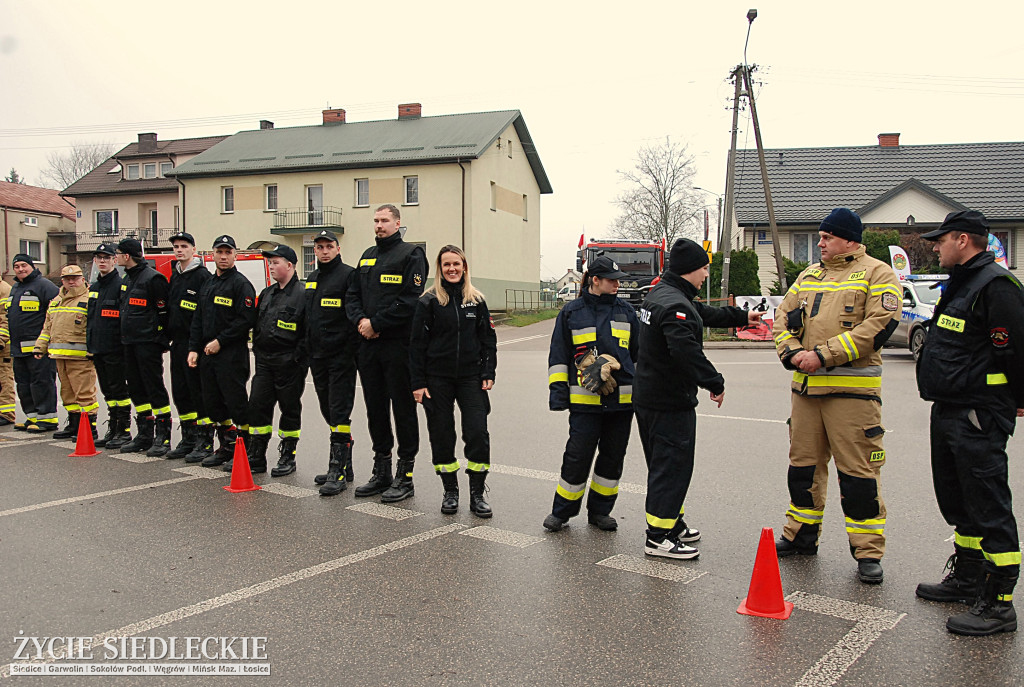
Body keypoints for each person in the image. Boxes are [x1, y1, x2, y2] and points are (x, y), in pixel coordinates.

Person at [772, 208, 900, 584]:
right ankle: (801, 536)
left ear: (850, 239)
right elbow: (783, 318)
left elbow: (878, 327)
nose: (821, 242)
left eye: (827, 237)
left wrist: (822, 355)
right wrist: (792, 353)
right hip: (806, 392)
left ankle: (867, 552)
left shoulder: (878, 274)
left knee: (859, 476)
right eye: (821, 237)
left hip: (851, 397)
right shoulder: (810, 275)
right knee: (803, 470)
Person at [914, 210, 1024, 636]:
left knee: (988, 504)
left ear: (963, 239)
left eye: (941, 240)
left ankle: (999, 602)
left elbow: (1015, 351)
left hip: (978, 411)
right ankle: (967, 578)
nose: (935, 246)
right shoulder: (962, 283)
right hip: (950, 408)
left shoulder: (996, 286)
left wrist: (1015, 400)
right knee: (959, 501)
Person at [634, 239, 757, 558]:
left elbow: (702, 313)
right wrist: (714, 382)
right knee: (671, 467)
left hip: (649, 398)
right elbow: (686, 352)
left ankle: (671, 522)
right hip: (669, 402)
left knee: (663, 465)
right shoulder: (675, 305)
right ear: (690, 269)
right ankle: (659, 537)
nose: (706, 274)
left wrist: (740, 319)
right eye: (704, 267)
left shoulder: (663, 295)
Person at [544, 256, 637, 533]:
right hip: (584, 404)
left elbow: (640, 357)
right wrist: (559, 395)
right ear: (595, 280)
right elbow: (558, 356)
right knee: (577, 456)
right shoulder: (572, 312)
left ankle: (600, 512)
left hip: (621, 403)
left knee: (612, 458)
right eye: (611, 280)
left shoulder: (627, 312)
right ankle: (561, 512)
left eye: (618, 279)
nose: (617, 284)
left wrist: (641, 394)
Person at [346, 204, 427, 502]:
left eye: (384, 220)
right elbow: (352, 295)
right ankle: (381, 472)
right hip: (368, 347)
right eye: (376, 221)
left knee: (403, 410)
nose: (379, 225)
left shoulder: (411, 255)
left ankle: (404, 476)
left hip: (397, 346)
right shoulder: (367, 256)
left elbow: (409, 300)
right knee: (375, 409)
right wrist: (360, 321)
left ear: (397, 223)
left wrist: (377, 323)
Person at [411, 245, 497, 517]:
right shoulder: (428, 301)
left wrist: (488, 372)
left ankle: (477, 494)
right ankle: (450, 492)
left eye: (456, 264)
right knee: (441, 434)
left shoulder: (477, 301)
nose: (451, 269)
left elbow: (488, 341)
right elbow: (415, 346)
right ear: (440, 268)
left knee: (477, 434)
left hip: (471, 378)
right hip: (437, 380)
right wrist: (418, 383)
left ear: (464, 267)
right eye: (446, 264)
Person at [188, 235, 256, 470]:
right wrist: (193, 349)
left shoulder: (240, 284)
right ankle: (226, 445)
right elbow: (197, 319)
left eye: (228, 252)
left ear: (235, 255)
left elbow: (245, 319)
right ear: (213, 254)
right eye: (220, 252)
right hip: (208, 354)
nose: (224, 256)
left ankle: (244, 448)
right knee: (214, 404)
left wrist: (220, 341)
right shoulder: (208, 284)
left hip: (231, 355)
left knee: (235, 403)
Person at [306, 229, 361, 496]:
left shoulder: (348, 275)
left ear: (338, 249)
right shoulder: (313, 278)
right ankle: (345, 465)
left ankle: (336, 470)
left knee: (339, 412)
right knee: (327, 409)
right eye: (320, 247)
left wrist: (347, 350)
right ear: (315, 250)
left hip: (341, 357)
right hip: (317, 357)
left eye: (329, 246)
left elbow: (352, 314)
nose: (324, 251)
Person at [247, 244, 307, 477]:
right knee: (258, 406)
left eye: (276, 262)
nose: (271, 267)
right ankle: (257, 454)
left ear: (290, 265)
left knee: (289, 408)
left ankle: (287, 456)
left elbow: (307, 332)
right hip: (265, 362)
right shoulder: (267, 293)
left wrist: (297, 359)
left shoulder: (303, 294)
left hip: (289, 362)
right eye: (270, 263)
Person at [116, 238, 173, 455]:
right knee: (136, 389)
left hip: (148, 343)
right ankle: (144, 433)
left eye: (119, 253)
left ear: (127, 256)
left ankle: (163, 435)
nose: (116, 257)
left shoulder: (153, 278)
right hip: (129, 342)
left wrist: (160, 339)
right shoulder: (127, 279)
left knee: (153, 387)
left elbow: (164, 313)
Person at [34, 265, 97, 439]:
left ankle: (89, 429)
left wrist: (94, 350)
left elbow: (95, 328)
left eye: (75, 278)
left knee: (84, 395)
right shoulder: (56, 301)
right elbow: (47, 327)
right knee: (68, 395)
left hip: (81, 358)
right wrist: (40, 347)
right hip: (59, 356)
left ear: (82, 279)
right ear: (62, 281)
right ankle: (74, 425)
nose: (71, 282)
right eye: (67, 279)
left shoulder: (89, 299)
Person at [165, 232, 213, 461]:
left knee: (197, 393)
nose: (179, 250)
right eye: (176, 246)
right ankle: (188, 438)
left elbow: (204, 314)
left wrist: (197, 345)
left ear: (194, 249)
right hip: (178, 343)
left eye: (184, 246)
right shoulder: (176, 275)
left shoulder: (202, 276)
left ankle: (204, 441)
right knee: (181, 393)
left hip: (195, 344)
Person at [86, 243, 132, 448]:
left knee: (119, 391)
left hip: (115, 349)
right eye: (99, 257)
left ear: (115, 260)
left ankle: (123, 430)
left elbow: (123, 320)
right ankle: (113, 428)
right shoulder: (95, 287)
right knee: (108, 392)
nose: (102, 261)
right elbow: (91, 319)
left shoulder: (120, 286)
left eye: (107, 257)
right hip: (98, 348)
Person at [7, 254, 58, 432]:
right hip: (18, 348)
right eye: (17, 266)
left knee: (41, 382)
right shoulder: (16, 288)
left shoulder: (44, 286)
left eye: (24, 265)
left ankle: (47, 418)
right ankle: (32, 417)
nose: (20, 269)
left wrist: (46, 342)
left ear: (32, 266)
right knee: (24, 384)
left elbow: (54, 315)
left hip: (38, 348)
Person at [0, 278, 15, 425]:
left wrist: (1, 339)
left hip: (3, 346)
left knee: (4, 379)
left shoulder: (4, 290)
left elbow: (6, 318)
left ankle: (6, 414)